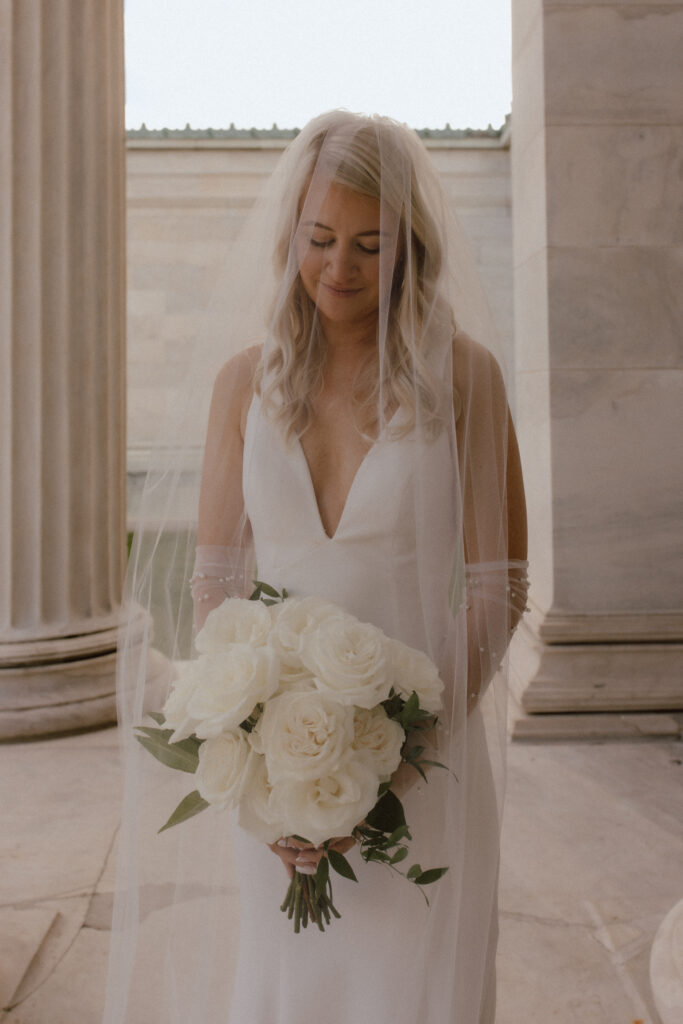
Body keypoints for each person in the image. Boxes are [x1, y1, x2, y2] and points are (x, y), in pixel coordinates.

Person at [104, 110, 527, 1024]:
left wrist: (403, 764)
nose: (339, 267)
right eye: (320, 238)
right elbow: (215, 582)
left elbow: (497, 588)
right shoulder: (241, 383)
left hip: (430, 768)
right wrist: (258, 763)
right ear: (289, 234)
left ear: (412, 247)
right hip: (279, 795)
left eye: (371, 244)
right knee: (290, 993)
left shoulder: (465, 378)